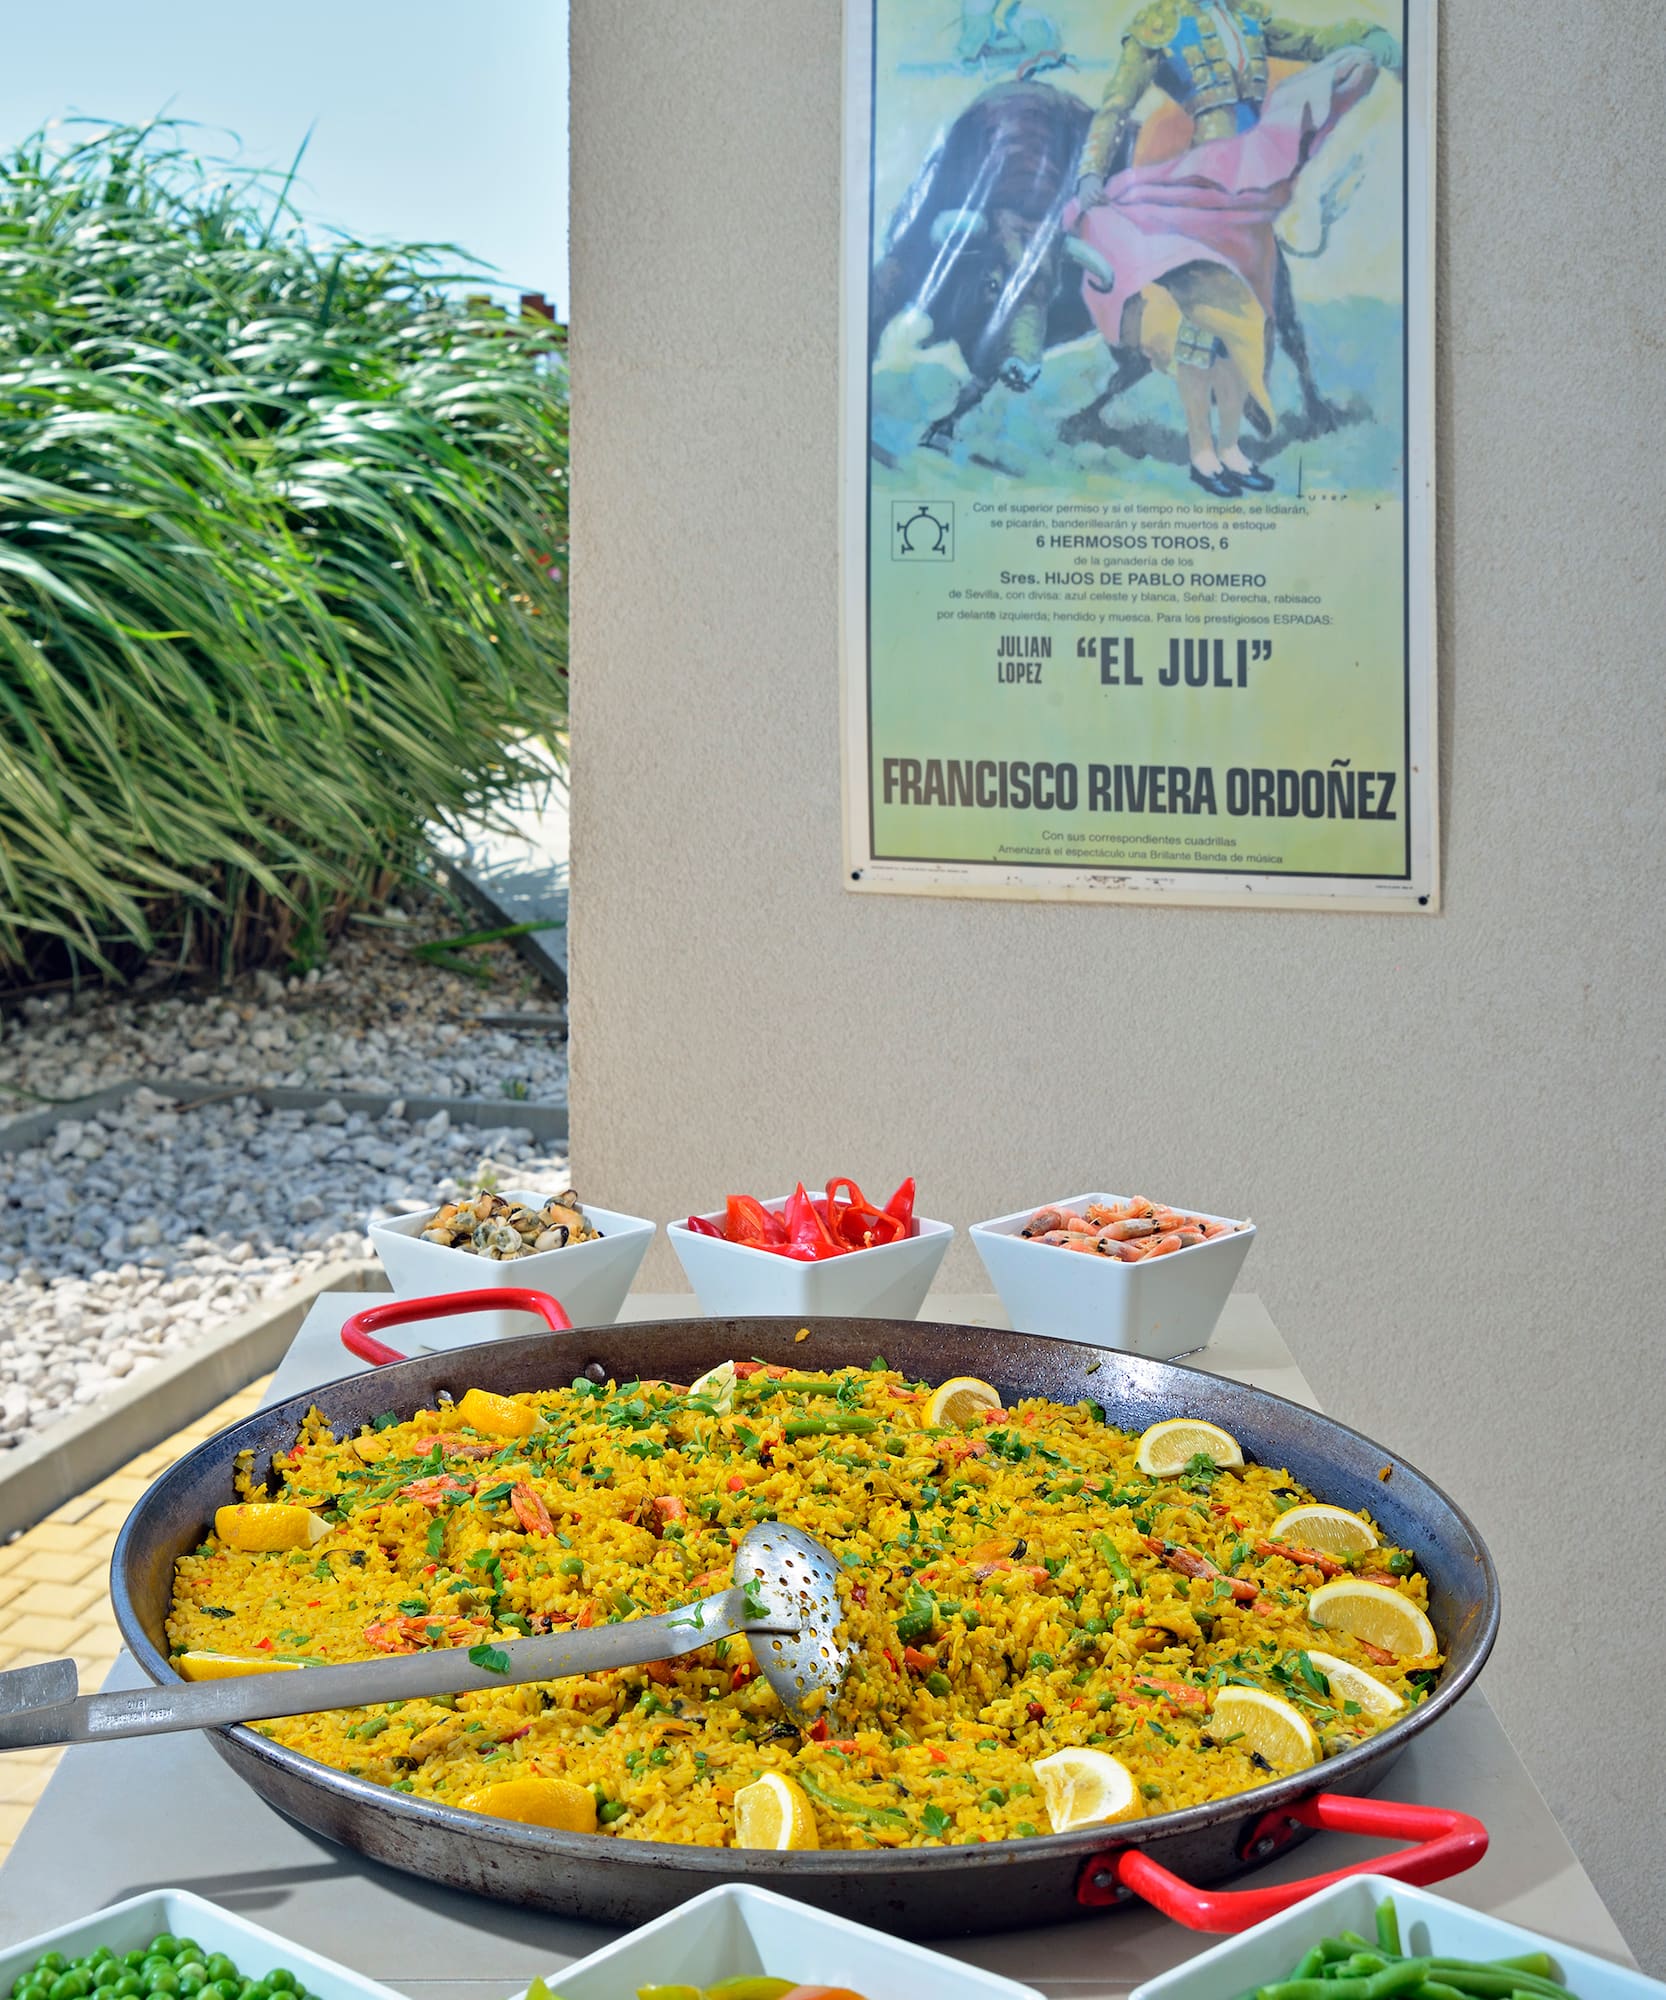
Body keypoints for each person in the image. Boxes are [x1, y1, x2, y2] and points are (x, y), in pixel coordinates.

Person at [1068, 1, 1400, 495]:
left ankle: (1231, 450)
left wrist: (1374, 42)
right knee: (1204, 329)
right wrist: (1092, 169)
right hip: (1202, 187)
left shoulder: (1248, 17)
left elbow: (1312, 43)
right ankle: (1203, 455)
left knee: (1249, 326)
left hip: (1253, 192)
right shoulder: (1158, 23)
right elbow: (1117, 102)